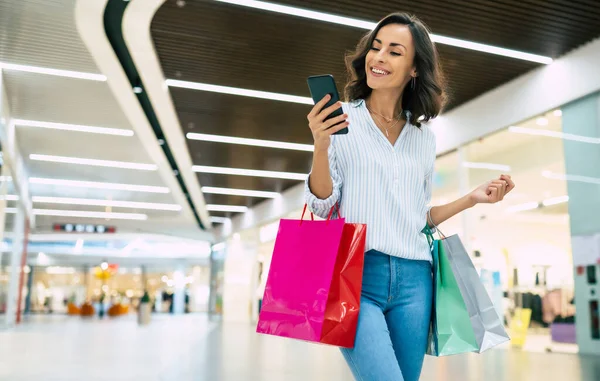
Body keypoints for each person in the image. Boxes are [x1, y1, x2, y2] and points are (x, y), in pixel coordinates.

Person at [305, 12, 515, 381]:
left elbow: (419, 219)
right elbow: (322, 205)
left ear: (415, 69)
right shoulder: (342, 123)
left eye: (394, 51)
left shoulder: (422, 138)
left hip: (415, 281)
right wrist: (321, 146)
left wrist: (471, 199)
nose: (379, 57)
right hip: (356, 275)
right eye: (375, 47)